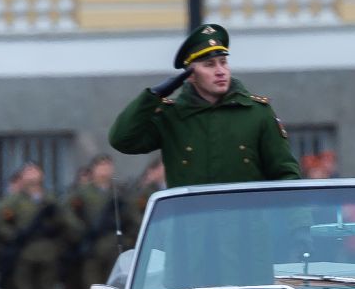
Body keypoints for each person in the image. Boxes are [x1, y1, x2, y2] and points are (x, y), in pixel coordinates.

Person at [107, 24, 301, 187]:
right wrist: (153, 96)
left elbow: (286, 175)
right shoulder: (172, 116)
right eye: (209, 65)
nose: (220, 71)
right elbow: (122, 140)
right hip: (192, 229)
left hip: (246, 229)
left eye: (223, 62)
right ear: (190, 75)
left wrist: (297, 231)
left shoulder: (256, 113)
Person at [0, 162, 81, 289]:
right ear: (22, 177)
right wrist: (13, 236)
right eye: (28, 172)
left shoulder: (50, 200)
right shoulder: (14, 200)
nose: (32, 175)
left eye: (35, 171)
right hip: (23, 254)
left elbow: (68, 223)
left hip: (48, 253)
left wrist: (57, 222)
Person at [64, 155, 126, 289]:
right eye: (101, 166)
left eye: (108, 165)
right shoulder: (82, 193)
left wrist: (126, 238)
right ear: (93, 170)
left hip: (114, 250)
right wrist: (82, 232)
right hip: (92, 251)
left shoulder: (119, 192)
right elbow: (67, 214)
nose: (105, 169)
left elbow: (132, 217)